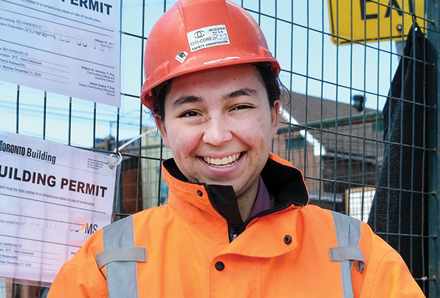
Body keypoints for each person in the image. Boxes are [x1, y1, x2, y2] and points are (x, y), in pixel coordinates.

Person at [47, 0, 425, 297]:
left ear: (274, 114)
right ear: (162, 127)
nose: (216, 135)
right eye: (191, 112)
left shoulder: (358, 256)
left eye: (239, 106)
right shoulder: (101, 269)